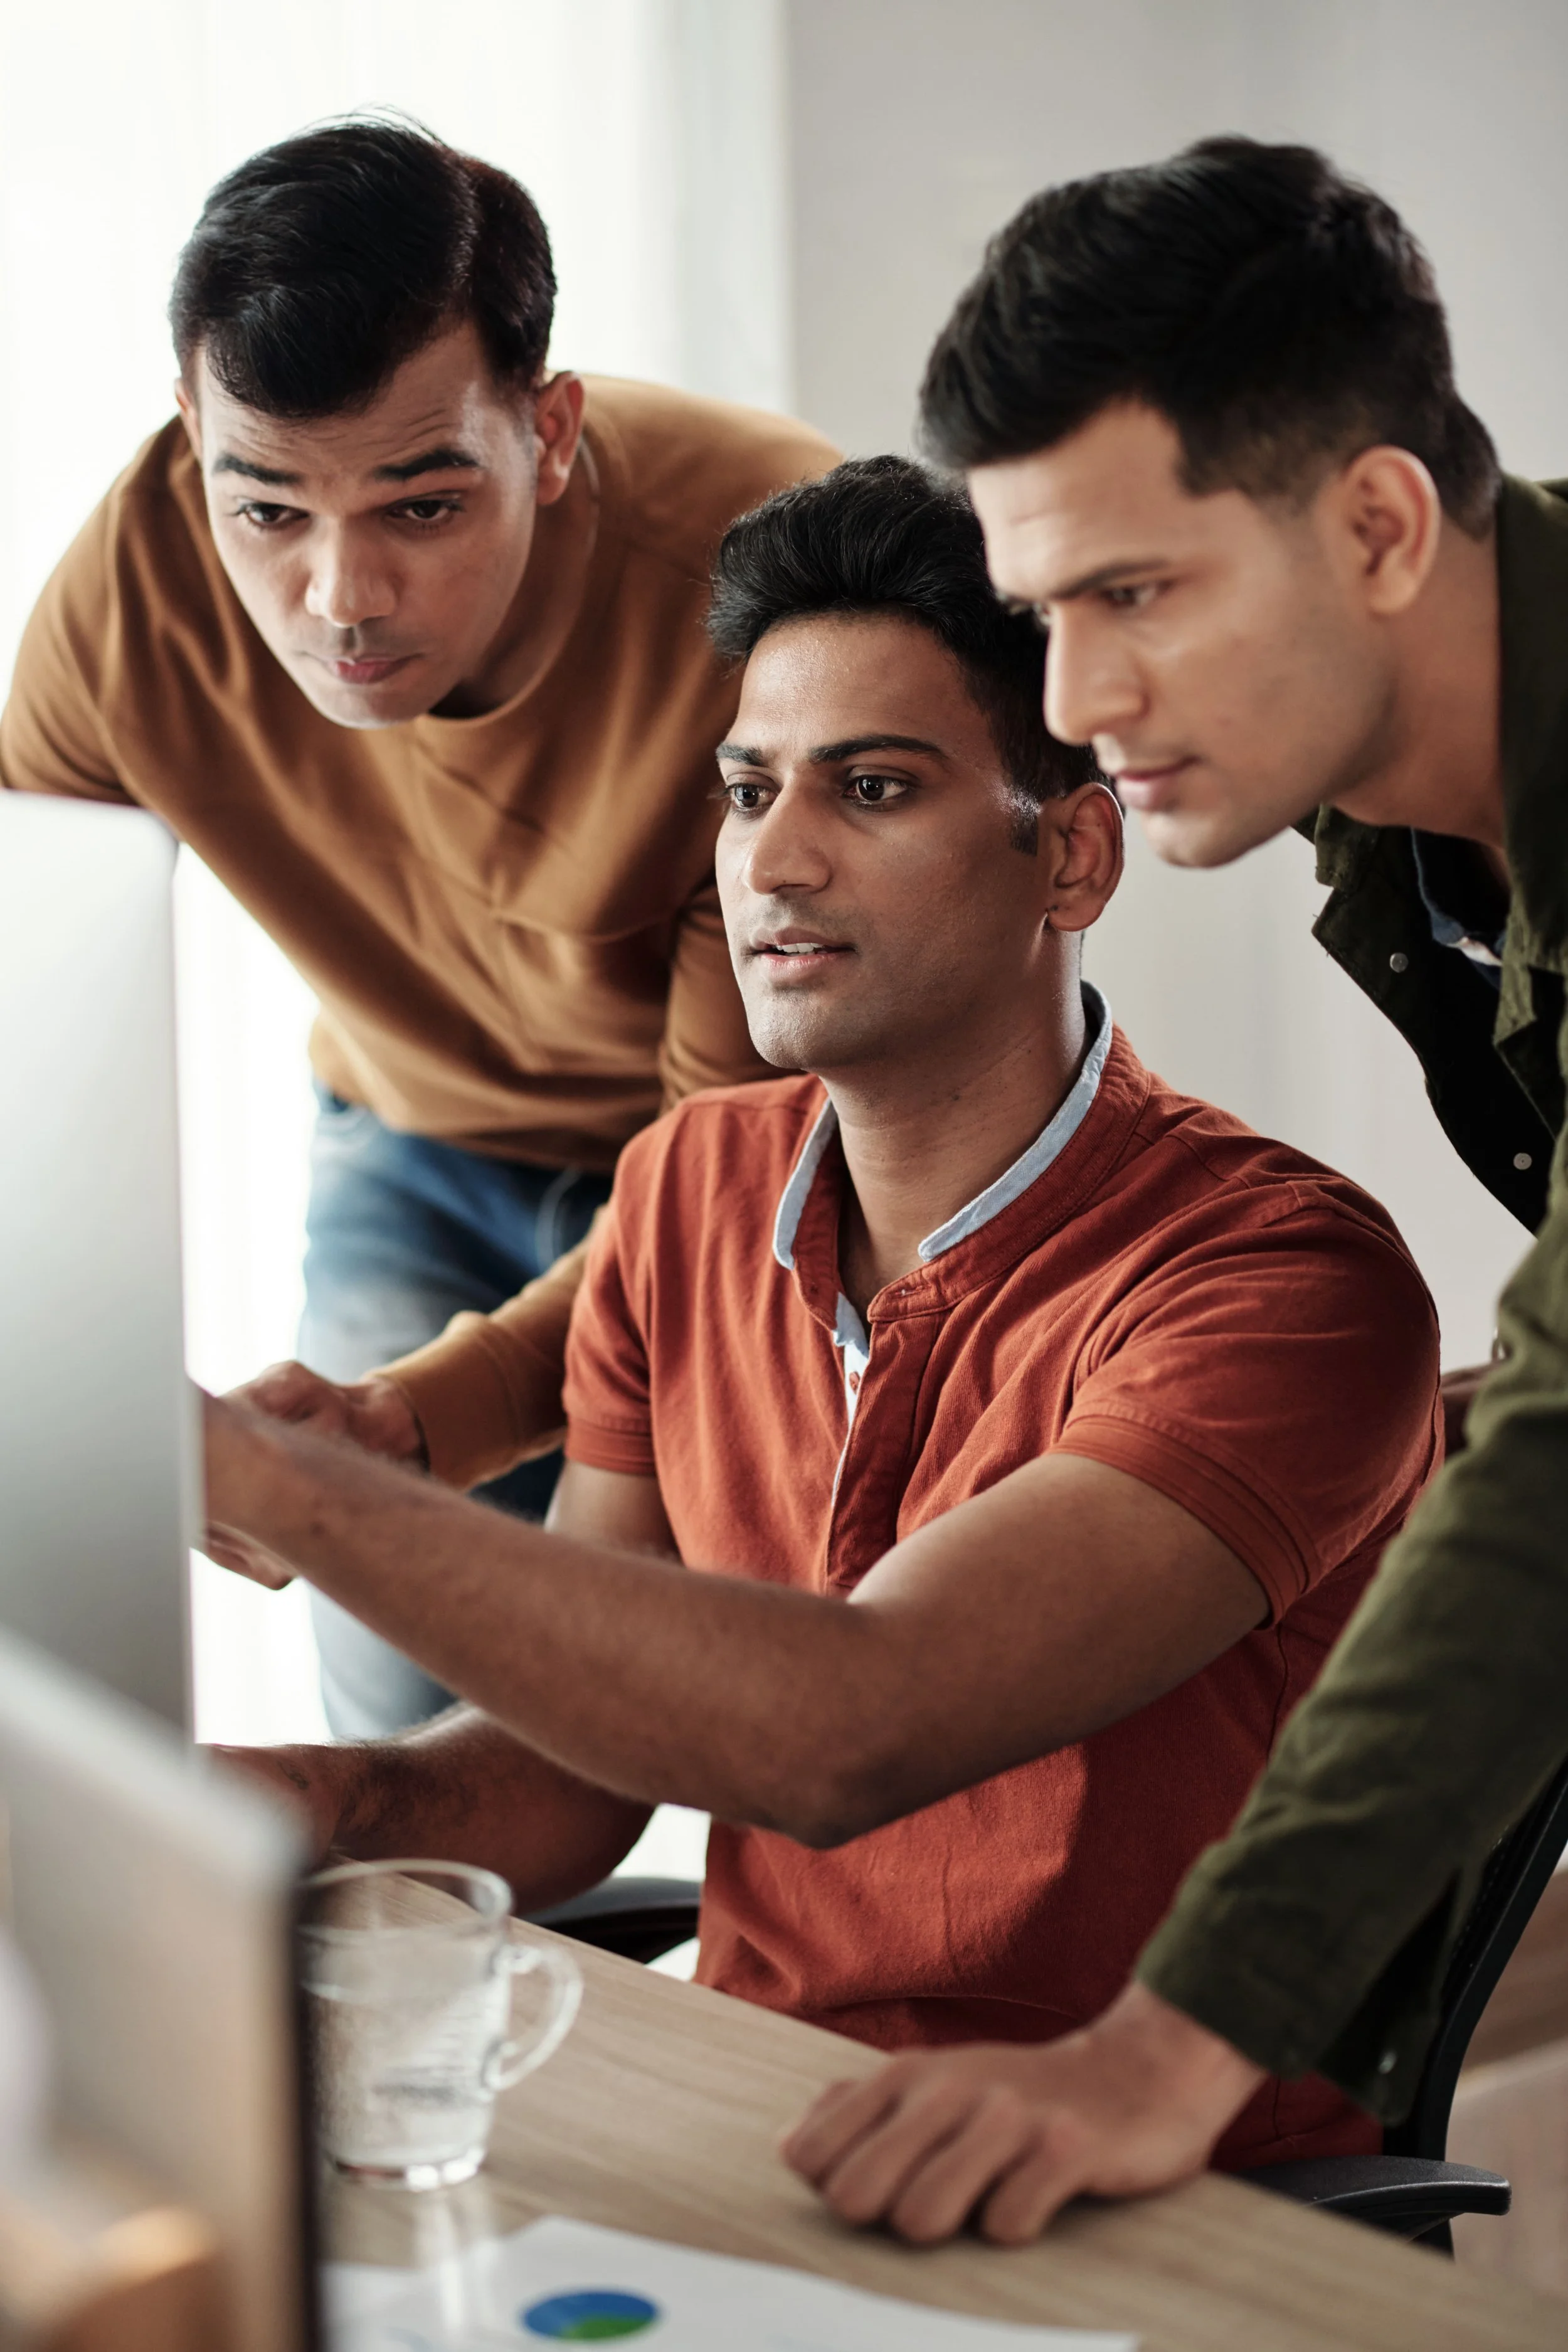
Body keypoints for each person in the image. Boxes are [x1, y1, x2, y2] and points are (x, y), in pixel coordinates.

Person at [207, 457, 1441, 2177]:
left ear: (1070, 852)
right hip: (760, 2118)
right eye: (743, 788)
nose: (768, 860)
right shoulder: (685, 1192)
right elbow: (581, 1763)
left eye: (870, 788)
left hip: (1144, 2188)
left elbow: (852, 1725)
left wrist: (289, 1485)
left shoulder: (1279, 1284)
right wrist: (320, 1800)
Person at [785, 135, 1568, 2248]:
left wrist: (1175, 2037)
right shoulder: (1396, 815)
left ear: (1380, 523)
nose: (1072, 705)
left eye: (1135, 594)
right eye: (1043, 610)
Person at [0, 116, 835, 1738]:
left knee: (770, 1711)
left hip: (778, 1158)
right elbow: (30, 991)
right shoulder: (139, 582)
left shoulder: (764, 603)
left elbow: (734, 1168)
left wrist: (404, 1425)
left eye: (420, 508)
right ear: (194, 434)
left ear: (552, 426)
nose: (340, 599)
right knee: (407, 1732)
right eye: (269, 511)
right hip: (410, 1124)